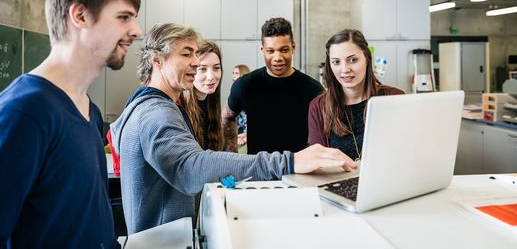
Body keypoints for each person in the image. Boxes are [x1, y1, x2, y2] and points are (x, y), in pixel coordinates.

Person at [110, 23, 355, 234]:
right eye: (186, 54)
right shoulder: (156, 112)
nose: (196, 63)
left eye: (196, 55)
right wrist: (287, 162)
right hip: (163, 241)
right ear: (157, 61)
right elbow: (191, 168)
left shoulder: (154, 106)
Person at [0, 0, 141, 248]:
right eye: (124, 17)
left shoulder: (89, 110)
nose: (136, 30)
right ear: (80, 15)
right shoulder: (25, 112)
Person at [222, 17, 324, 154]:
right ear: (262, 49)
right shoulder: (245, 85)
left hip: (299, 172)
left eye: (284, 50)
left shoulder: (313, 89)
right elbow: (227, 116)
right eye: (270, 51)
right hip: (258, 171)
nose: (277, 58)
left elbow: (326, 129)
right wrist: (232, 155)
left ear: (293, 47)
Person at [308, 29, 404, 161]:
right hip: (338, 181)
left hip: (386, 180)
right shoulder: (318, 107)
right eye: (336, 62)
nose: (345, 69)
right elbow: (318, 162)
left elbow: (407, 152)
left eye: (353, 60)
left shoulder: (394, 98)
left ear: (367, 59)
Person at [181, 41, 235, 151]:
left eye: (216, 68)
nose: (211, 77)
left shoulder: (212, 104)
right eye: (202, 69)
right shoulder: (179, 108)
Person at [231, 64, 250, 149]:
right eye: (233, 73)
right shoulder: (235, 95)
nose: (233, 76)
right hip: (239, 137)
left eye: (236, 73)